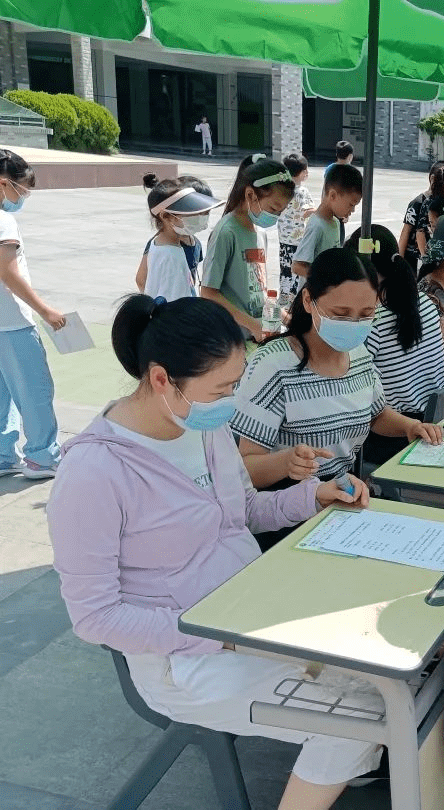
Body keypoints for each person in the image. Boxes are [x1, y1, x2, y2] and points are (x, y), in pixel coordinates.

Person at [49, 294, 381, 810]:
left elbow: (243, 512)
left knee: (390, 674)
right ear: (163, 380)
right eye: (222, 389)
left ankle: (359, 767)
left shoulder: (203, 427)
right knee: (359, 718)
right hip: (182, 662)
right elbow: (94, 616)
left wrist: (312, 496)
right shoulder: (93, 473)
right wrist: (213, 635)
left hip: (251, 618)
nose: (231, 400)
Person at [231, 248, 442, 544]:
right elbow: (246, 467)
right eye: (340, 314)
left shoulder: (358, 354)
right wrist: (286, 462)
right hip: (284, 517)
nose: (353, 325)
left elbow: (377, 414)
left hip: (343, 502)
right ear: (308, 301)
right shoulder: (273, 365)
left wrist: (409, 427)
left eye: (366, 315)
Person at [344, 225, 444, 466]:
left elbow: (348, 379)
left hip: (394, 432)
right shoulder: (425, 302)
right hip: (433, 420)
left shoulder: (374, 321)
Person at [0, 149, 63, 479]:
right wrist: (44, 309)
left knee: (1, 393)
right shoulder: (4, 220)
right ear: (3, 184)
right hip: (12, 321)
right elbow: (8, 273)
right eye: (22, 190)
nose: (22, 197)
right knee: (35, 390)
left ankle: (2, 453)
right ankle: (42, 456)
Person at [201, 155, 295, 339]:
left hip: (254, 336)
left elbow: (259, 289)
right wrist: (253, 325)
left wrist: (285, 318)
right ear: (250, 194)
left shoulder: (260, 233)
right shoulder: (226, 232)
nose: (276, 216)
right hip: (232, 338)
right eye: (273, 208)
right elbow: (208, 293)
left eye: (280, 212)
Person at [137, 176, 223, 301]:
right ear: (166, 216)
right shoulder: (173, 256)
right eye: (191, 212)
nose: (199, 216)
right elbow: (175, 304)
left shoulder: (161, 246)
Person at [291, 164, 363, 282]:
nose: (353, 210)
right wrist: (324, 278)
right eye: (351, 204)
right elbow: (297, 266)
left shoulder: (335, 222)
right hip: (314, 296)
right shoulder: (317, 226)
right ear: (333, 195)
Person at [277, 153, 317, 300]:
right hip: (298, 239)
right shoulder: (302, 191)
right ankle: (294, 298)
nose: (307, 173)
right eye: (305, 170)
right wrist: (318, 210)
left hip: (284, 239)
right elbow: (306, 212)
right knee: (297, 270)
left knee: (285, 269)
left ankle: (284, 295)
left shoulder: (281, 189)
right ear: (300, 173)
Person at [399, 161, 443, 272]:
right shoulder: (417, 203)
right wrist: (399, 262)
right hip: (413, 257)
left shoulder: (442, 203)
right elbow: (406, 231)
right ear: (432, 179)